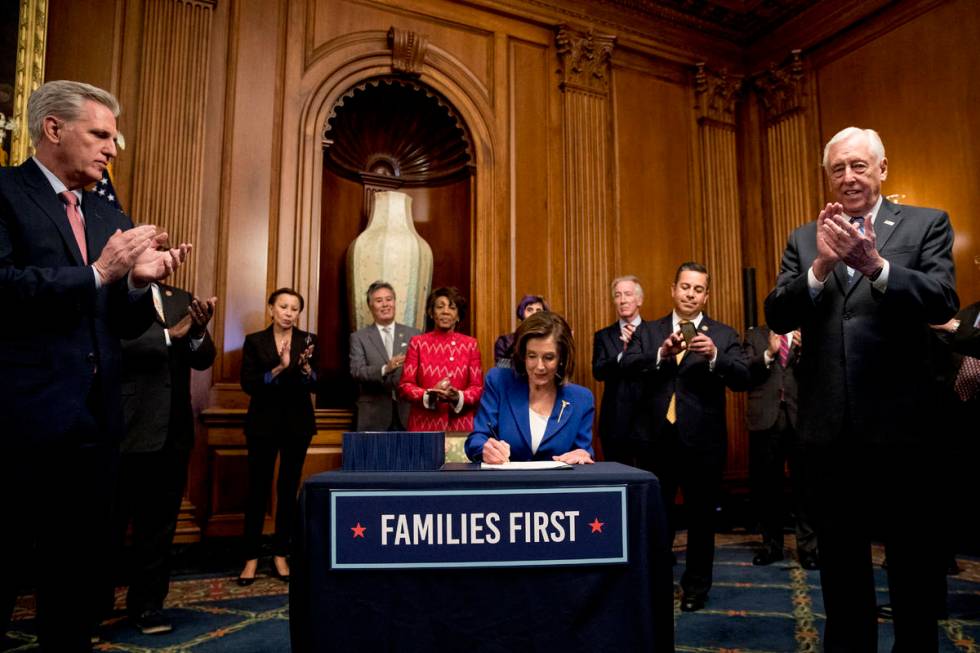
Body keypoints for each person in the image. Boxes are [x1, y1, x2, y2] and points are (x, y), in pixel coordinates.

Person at [0, 80, 190, 651]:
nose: (112, 148)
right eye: (100, 134)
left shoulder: (110, 214)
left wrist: (136, 284)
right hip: (22, 422)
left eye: (114, 137)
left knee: (79, 577)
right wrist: (99, 275)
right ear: (54, 130)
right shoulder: (5, 193)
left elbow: (123, 325)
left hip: (98, 425)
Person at [764, 126, 958, 652]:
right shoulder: (805, 238)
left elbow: (942, 300)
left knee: (913, 571)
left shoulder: (926, 224)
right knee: (842, 573)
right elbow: (777, 312)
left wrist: (877, 266)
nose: (848, 177)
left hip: (904, 431)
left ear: (882, 169)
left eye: (859, 166)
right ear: (827, 176)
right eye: (838, 168)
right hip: (830, 432)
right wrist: (822, 266)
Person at [632, 262, 749, 613]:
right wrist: (660, 355)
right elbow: (626, 367)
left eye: (698, 289)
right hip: (657, 439)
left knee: (701, 519)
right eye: (685, 287)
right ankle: (653, 581)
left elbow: (744, 376)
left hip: (703, 444)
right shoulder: (650, 332)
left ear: (706, 296)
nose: (690, 294)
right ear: (673, 289)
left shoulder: (724, 336)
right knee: (657, 516)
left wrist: (715, 357)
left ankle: (696, 588)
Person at [109, 285, 216, 634]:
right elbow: (112, 346)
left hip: (173, 432)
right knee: (106, 524)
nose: (167, 257)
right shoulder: (113, 294)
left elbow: (203, 358)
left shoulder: (181, 299)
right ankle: (90, 607)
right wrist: (170, 336)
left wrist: (198, 333)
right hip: (124, 428)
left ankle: (148, 606)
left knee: (158, 527)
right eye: (156, 249)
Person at [238, 288, 317, 586]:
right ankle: (250, 558)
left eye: (294, 308)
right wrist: (280, 367)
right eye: (283, 306)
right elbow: (249, 384)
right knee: (257, 490)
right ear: (271, 308)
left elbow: (316, 384)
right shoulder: (254, 341)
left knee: (288, 490)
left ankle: (281, 553)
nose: (288, 312)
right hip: (263, 424)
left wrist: (306, 369)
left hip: (298, 425)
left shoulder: (308, 341)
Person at [466, 311, 595, 464]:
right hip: (507, 484)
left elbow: (584, 452)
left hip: (557, 486)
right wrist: (484, 449)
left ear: (562, 358)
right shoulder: (499, 381)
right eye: (532, 356)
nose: (539, 366)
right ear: (523, 355)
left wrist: (583, 455)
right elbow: (476, 440)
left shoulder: (581, 399)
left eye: (549, 357)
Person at [744, 325, 817, 570]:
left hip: (803, 419)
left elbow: (826, 374)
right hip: (767, 421)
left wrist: (808, 350)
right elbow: (744, 373)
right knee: (768, 487)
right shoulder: (755, 336)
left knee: (806, 487)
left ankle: (808, 549)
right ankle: (771, 547)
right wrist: (768, 353)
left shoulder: (812, 334)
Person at [592, 275, 658, 464]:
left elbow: (658, 368)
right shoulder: (603, 336)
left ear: (639, 300)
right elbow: (598, 372)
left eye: (628, 294)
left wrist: (637, 351)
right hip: (615, 422)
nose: (622, 300)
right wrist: (623, 355)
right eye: (618, 295)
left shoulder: (655, 333)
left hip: (650, 421)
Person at [399, 287, 483, 432]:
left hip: (460, 426)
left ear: (458, 316)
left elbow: (477, 388)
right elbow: (406, 386)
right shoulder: (418, 343)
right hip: (423, 426)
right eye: (440, 307)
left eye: (452, 308)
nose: (445, 311)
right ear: (431, 313)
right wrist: (429, 394)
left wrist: (457, 396)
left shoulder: (470, 344)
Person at [349, 280, 420, 430]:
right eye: (379, 301)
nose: (385, 304)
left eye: (389, 299)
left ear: (394, 302)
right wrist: (385, 369)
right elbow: (357, 371)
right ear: (370, 306)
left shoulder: (414, 335)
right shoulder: (359, 337)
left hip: (408, 413)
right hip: (373, 414)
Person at [492, 294, 548, 367]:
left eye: (538, 311)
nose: (534, 314)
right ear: (521, 315)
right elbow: (502, 372)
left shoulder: (550, 340)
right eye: (529, 310)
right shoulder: (505, 342)